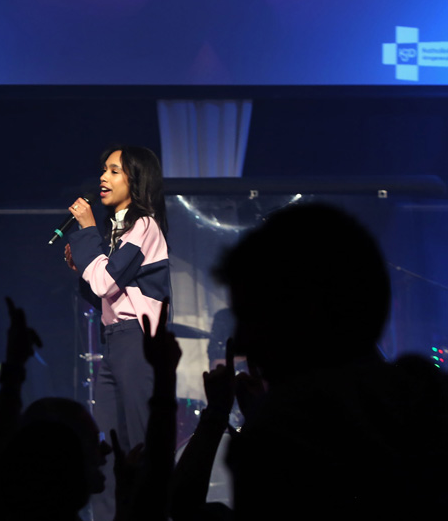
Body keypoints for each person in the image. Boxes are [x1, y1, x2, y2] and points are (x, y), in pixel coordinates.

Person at [214, 203, 448, 520]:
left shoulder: (279, 438)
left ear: (307, 314)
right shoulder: (425, 400)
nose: (241, 340)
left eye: (253, 316)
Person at [64, 145, 170, 521]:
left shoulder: (145, 226)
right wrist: (86, 256)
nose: (103, 179)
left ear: (135, 179)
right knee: (106, 446)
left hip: (137, 341)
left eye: (114, 171)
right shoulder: (118, 231)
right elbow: (102, 294)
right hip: (114, 341)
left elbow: (107, 282)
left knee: (138, 440)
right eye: (104, 170)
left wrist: (88, 233)